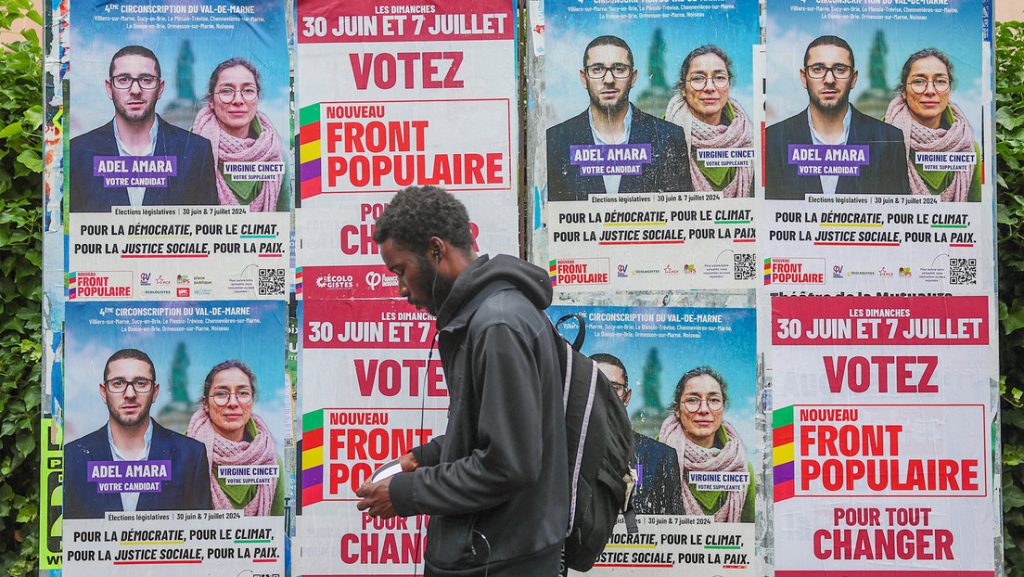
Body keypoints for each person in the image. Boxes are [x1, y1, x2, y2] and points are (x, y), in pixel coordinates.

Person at [356, 186, 568, 576]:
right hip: (492, 552)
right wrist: (427, 457)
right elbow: (492, 432)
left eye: (401, 271)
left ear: (436, 250)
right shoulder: (485, 317)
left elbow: (509, 465)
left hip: (500, 560)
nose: (401, 290)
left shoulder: (497, 325)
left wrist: (407, 493)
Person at [64, 349, 213, 519]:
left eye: (141, 383)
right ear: (104, 392)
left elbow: (201, 534)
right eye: (118, 383)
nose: (129, 394)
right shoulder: (71, 456)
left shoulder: (191, 454)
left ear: (155, 392)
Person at [69, 45, 218, 211]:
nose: (135, 90)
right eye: (123, 79)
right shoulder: (78, 151)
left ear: (160, 88)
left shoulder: (196, 151)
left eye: (146, 79)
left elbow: (206, 231)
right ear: (109, 88)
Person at [547, 35, 691, 200]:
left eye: (619, 69)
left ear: (633, 77)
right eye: (597, 69)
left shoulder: (668, 137)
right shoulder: (555, 140)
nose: (609, 79)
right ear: (583, 78)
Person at [765, 35, 910, 199]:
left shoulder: (888, 139)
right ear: (804, 77)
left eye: (840, 69)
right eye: (818, 69)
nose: (829, 79)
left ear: (854, 78)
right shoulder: (773, 139)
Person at [187, 360, 285, 516]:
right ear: (206, 404)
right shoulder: (183, 454)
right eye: (221, 394)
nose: (233, 403)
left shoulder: (270, 459)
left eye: (243, 393)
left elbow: (278, 529)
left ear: (252, 401)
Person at [592, 353, 684, 515]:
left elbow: (673, 526)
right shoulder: (559, 452)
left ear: (627, 397)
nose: (605, 394)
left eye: (614, 388)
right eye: (595, 385)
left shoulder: (660, 456)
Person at [658, 367, 754, 522]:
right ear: (677, 409)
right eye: (692, 400)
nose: (704, 410)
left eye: (714, 400)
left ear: (723, 407)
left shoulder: (740, 466)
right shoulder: (652, 459)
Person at [884, 48, 981, 202]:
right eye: (919, 81)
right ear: (903, 91)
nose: (930, 91)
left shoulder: (968, 148)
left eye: (940, 81)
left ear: (949, 89)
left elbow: (977, 215)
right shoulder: (879, 140)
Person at [191, 58, 288, 211]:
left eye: (248, 90)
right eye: (226, 91)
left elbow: (285, 220)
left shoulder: (275, 154)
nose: (238, 100)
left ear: (257, 97)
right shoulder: (189, 150)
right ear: (211, 100)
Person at [665, 45, 754, 198]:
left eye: (719, 78)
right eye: (698, 78)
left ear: (729, 85)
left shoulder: (747, 136)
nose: (710, 87)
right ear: (683, 89)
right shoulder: (661, 134)